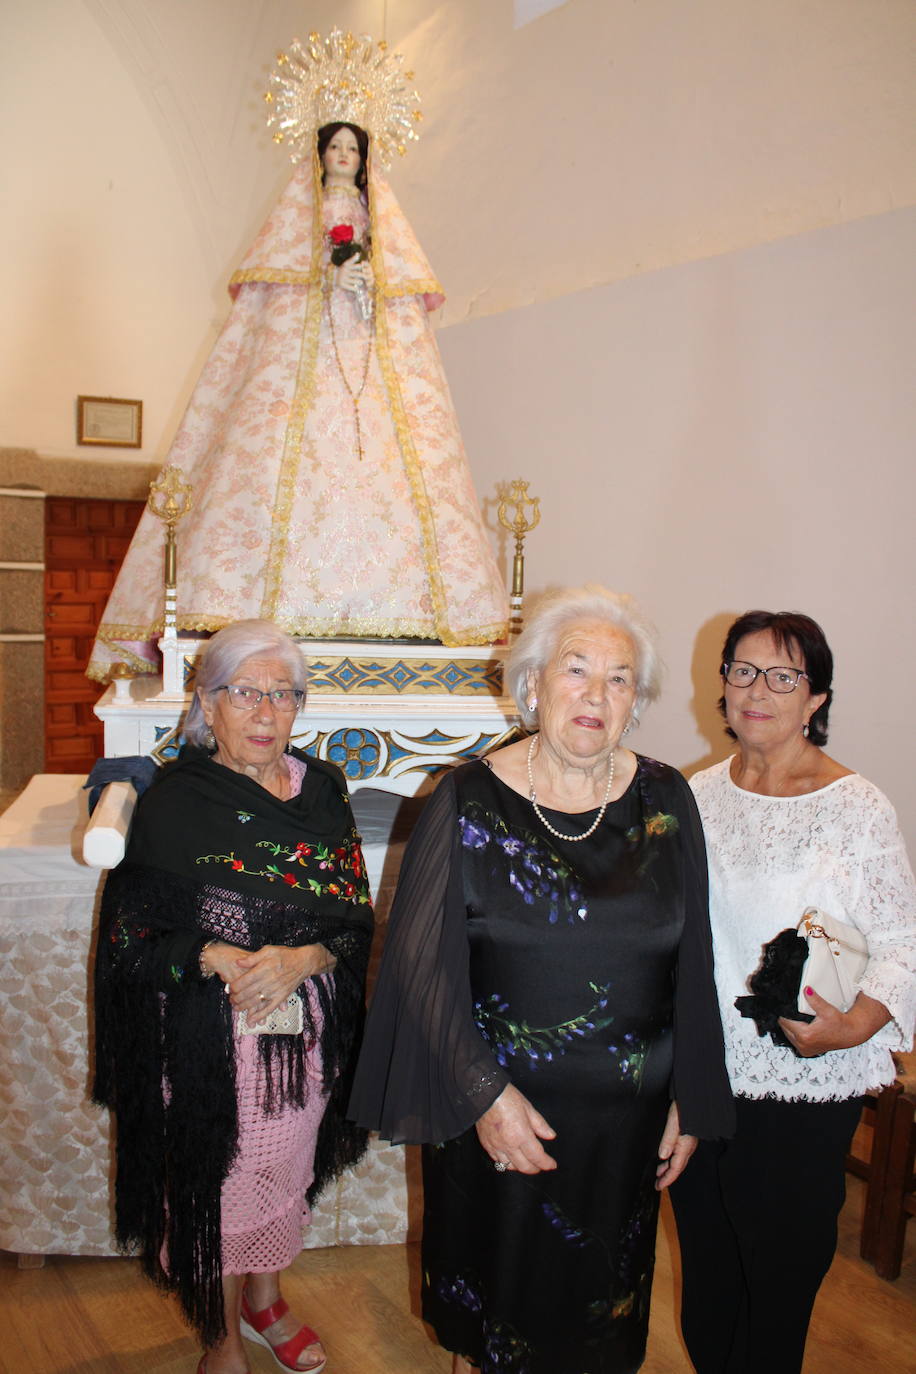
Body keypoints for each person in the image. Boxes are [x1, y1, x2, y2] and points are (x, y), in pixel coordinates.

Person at [349, 585, 734, 1374]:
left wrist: (689, 1093)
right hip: (500, 1116)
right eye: (577, 669)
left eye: (620, 679)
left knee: (600, 1322)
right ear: (532, 686)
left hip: (624, 1135)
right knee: (497, 1326)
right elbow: (421, 967)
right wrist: (484, 1098)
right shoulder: (465, 800)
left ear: (637, 702)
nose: (597, 694)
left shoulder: (668, 800)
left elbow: (694, 957)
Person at [87, 112, 507, 682]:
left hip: (368, 361)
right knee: (269, 469)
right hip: (299, 371)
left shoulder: (383, 229)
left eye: (351, 150)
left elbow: (403, 303)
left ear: (364, 162)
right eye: (333, 147)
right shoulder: (294, 227)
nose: (342, 156)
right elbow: (274, 304)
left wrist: (363, 284)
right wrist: (325, 278)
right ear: (318, 155)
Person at [92, 620, 374, 1374]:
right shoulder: (174, 804)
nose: (265, 712)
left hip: (301, 1031)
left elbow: (353, 917)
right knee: (216, 1187)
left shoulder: (322, 792)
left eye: (284, 695)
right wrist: (212, 953)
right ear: (206, 703)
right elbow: (128, 938)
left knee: (285, 1170)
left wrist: (305, 955)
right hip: (204, 1039)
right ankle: (221, 1337)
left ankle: (266, 1299)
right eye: (245, 692)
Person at [671, 610, 916, 1374]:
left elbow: (902, 946)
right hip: (706, 1078)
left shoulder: (856, 805)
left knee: (776, 1281)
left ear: (815, 699)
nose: (760, 690)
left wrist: (852, 1028)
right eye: (743, 670)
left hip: (805, 1079)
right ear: (722, 686)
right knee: (707, 1278)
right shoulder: (692, 796)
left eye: (784, 675)